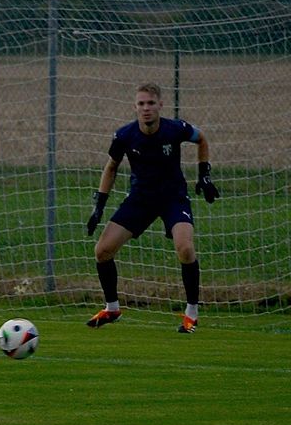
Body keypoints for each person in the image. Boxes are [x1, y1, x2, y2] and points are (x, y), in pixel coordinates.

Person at [85, 82, 220, 334]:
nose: (146, 109)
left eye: (150, 103)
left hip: (173, 197)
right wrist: (99, 206)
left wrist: (204, 175)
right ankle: (112, 308)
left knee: (185, 248)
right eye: (141, 104)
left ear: (160, 105)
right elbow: (111, 167)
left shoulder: (175, 129)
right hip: (140, 199)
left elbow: (201, 139)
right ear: (135, 107)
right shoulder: (124, 136)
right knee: (102, 251)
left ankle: (192, 313)